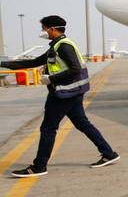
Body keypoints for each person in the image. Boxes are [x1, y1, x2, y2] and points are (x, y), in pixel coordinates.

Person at [0, 16, 119, 177]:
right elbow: (33, 62)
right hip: (73, 92)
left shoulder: (63, 47)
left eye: (44, 28)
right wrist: (3, 64)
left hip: (63, 93)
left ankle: (39, 166)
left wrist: (51, 78)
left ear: (53, 29)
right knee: (82, 124)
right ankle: (108, 153)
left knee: (48, 128)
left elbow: (75, 68)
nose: (43, 32)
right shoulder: (57, 46)